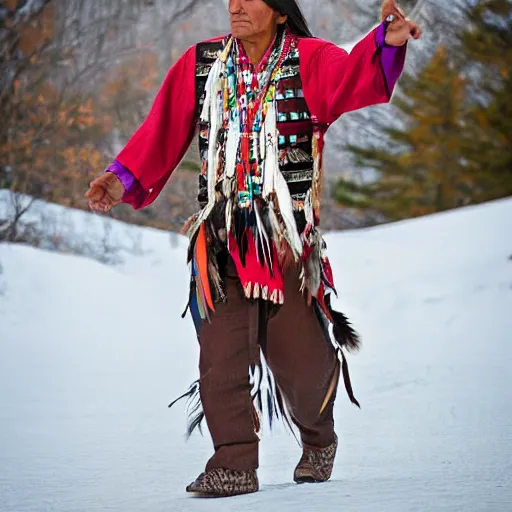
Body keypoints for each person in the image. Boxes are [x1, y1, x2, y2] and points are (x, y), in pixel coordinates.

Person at [85, 0, 421, 498]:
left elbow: (353, 75)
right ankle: (234, 462)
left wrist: (385, 43)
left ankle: (319, 437)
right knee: (219, 355)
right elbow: (162, 129)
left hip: (284, 241)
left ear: (281, 11)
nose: (236, 5)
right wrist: (121, 178)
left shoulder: (309, 59)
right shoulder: (201, 64)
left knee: (299, 362)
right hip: (218, 241)